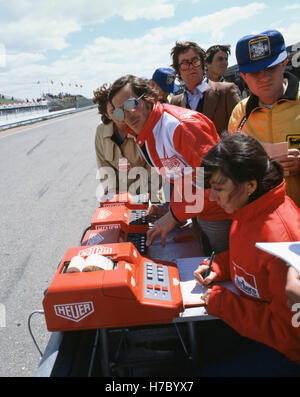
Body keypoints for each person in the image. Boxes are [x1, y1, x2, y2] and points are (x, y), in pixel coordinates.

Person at [193, 134, 300, 374]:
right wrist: (220, 266)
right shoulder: (248, 209)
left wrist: (225, 304)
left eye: (218, 189)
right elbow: (248, 256)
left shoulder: (283, 243)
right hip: (254, 328)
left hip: (285, 353)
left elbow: (289, 332)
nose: (211, 197)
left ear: (250, 185)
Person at [108, 74, 231, 252]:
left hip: (219, 212)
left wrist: (174, 215)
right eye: (120, 111)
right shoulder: (144, 131)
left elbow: (215, 180)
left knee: (222, 266)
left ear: (148, 97)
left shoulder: (181, 126)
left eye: (131, 104)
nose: (127, 115)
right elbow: (182, 177)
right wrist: (172, 208)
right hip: (199, 211)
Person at [228, 29, 300, 207]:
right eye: (255, 73)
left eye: (271, 68)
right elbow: (231, 164)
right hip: (265, 218)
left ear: (284, 64)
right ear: (243, 76)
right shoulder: (240, 113)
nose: (264, 77)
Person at [93, 83, 163, 201]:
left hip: (149, 196)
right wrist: (114, 196)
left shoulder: (143, 126)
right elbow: (104, 167)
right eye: (113, 112)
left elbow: (154, 170)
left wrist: (138, 198)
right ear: (107, 115)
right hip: (119, 199)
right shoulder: (101, 131)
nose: (120, 115)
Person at [170, 41, 240, 135]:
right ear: (178, 70)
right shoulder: (175, 102)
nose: (191, 67)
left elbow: (241, 132)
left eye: (195, 61)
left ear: (202, 64)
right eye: (185, 64)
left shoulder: (226, 91)